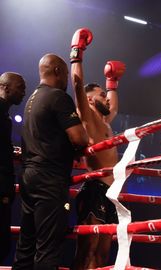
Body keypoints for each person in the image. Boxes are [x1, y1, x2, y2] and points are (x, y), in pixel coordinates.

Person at [12, 53, 89, 270]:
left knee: (26, 246)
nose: (66, 79)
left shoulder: (32, 99)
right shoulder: (58, 97)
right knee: (49, 247)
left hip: (29, 177)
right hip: (49, 180)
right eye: (65, 74)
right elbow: (80, 138)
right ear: (57, 71)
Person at [69, 28, 125, 269]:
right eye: (103, 94)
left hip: (111, 193)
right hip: (94, 189)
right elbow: (78, 82)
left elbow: (114, 107)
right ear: (91, 100)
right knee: (87, 251)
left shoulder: (104, 120)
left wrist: (112, 82)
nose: (108, 98)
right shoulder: (88, 117)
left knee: (103, 254)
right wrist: (76, 54)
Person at [0, 72, 26, 264]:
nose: (24, 92)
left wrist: (10, 150)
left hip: (4, 190)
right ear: (6, 88)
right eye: (20, 87)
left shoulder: (5, 115)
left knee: (3, 247)